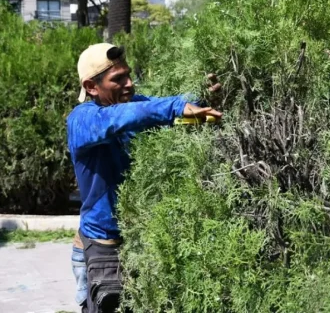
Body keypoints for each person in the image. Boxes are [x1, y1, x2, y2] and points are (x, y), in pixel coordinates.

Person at [68, 43, 222, 313]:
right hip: (105, 246)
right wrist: (175, 107)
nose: (130, 84)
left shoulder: (132, 105)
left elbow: (156, 106)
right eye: (118, 79)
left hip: (138, 240)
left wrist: (201, 94)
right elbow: (126, 116)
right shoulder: (82, 120)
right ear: (92, 87)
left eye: (128, 75)